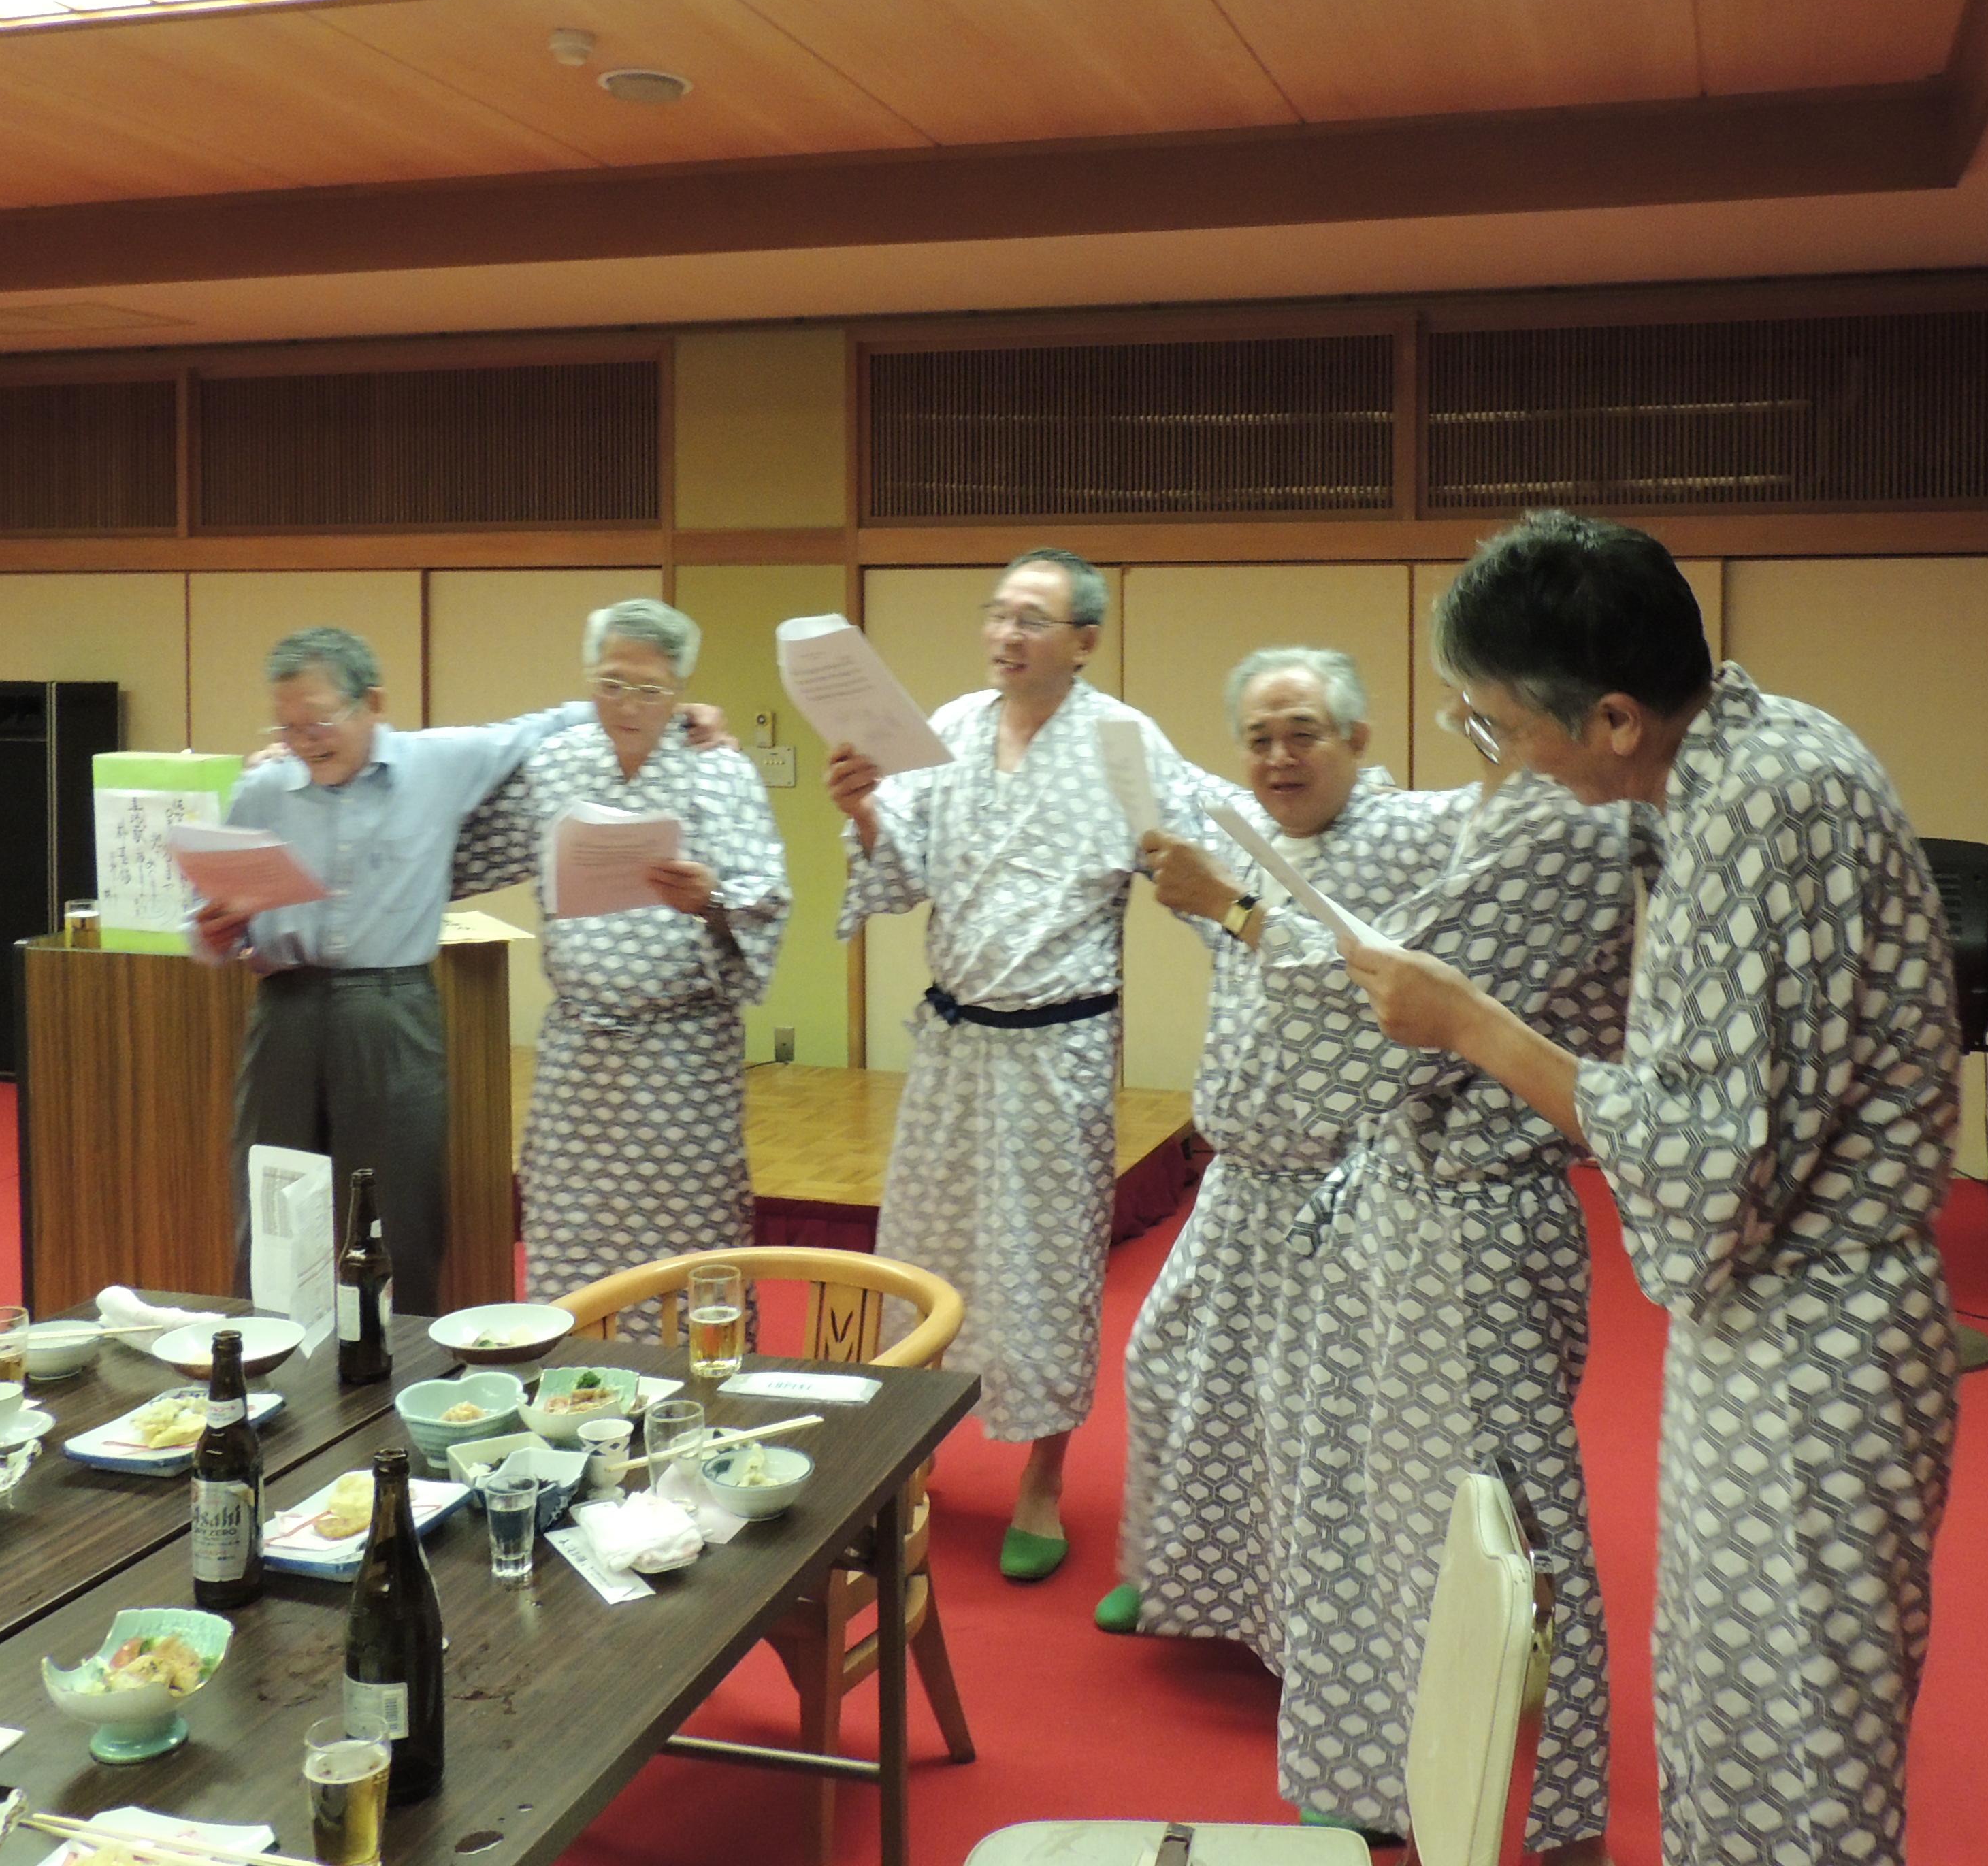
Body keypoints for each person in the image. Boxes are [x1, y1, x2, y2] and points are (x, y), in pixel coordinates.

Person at [1346, 512, 1961, 1866]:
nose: (1502, 756)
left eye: (1501, 726)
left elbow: (1706, 1162)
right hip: (1775, 1328)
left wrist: (1471, 1025)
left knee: (1800, 1748)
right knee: (1731, 1713)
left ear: (1615, 718)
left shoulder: (1765, 806)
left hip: (1818, 1340)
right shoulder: (1744, 755)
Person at [1260, 756, 1639, 1860]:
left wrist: (1245, 920)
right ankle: (1385, 1768)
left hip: (1478, 1218)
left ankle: (1534, 1812)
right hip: (1401, 1202)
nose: (1479, 732)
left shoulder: (1565, 824)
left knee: (1502, 1529)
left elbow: (1389, 1015)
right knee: (1375, 1498)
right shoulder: (1492, 808)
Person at [828, 547, 1202, 1582]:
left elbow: (1192, 858)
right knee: (925, 1253)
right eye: (998, 613)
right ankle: (907, 1457)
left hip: (1058, 1046)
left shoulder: (1124, 742)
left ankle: (1042, 1478)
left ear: (1085, 640)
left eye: (1032, 618)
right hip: (955, 1042)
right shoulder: (949, 728)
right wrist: (862, 809)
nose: (1006, 633)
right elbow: (902, 870)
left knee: (1046, 1266)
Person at [1104, 644, 1483, 1653]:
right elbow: (1154, 793)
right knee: (1166, 1363)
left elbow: (1388, 961)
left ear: (1356, 739)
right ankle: (1172, 1571)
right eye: (1260, 739)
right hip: (1240, 1178)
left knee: (1310, 1412)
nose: (1280, 757)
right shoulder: (1242, 836)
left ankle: (1307, 1629)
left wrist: (1230, 904)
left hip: (1349, 1190)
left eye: (1303, 735)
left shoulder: (1412, 834)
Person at [199, 627, 640, 1315]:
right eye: (287, 728)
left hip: (392, 1009)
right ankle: (269, 1365)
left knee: (398, 1212)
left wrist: (676, 714)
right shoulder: (263, 790)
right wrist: (212, 931)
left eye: (319, 723)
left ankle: (396, 1366)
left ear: (372, 703)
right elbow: (209, 925)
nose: (304, 742)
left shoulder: (440, 763)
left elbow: (548, 726)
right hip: (284, 1009)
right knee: (273, 1211)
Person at [450, 599, 789, 1330]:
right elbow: (468, 849)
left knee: (693, 1239)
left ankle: (697, 1385)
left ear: (680, 689)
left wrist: (712, 899)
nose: (629, 705)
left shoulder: (719, 770)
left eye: (650, 689)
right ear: (589, 681)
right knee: (569, 1240)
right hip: (579, 1059)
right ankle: (575, 1384)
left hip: (683, 1059)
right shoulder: (555, 763)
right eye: (611, 684)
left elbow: (767, 895)